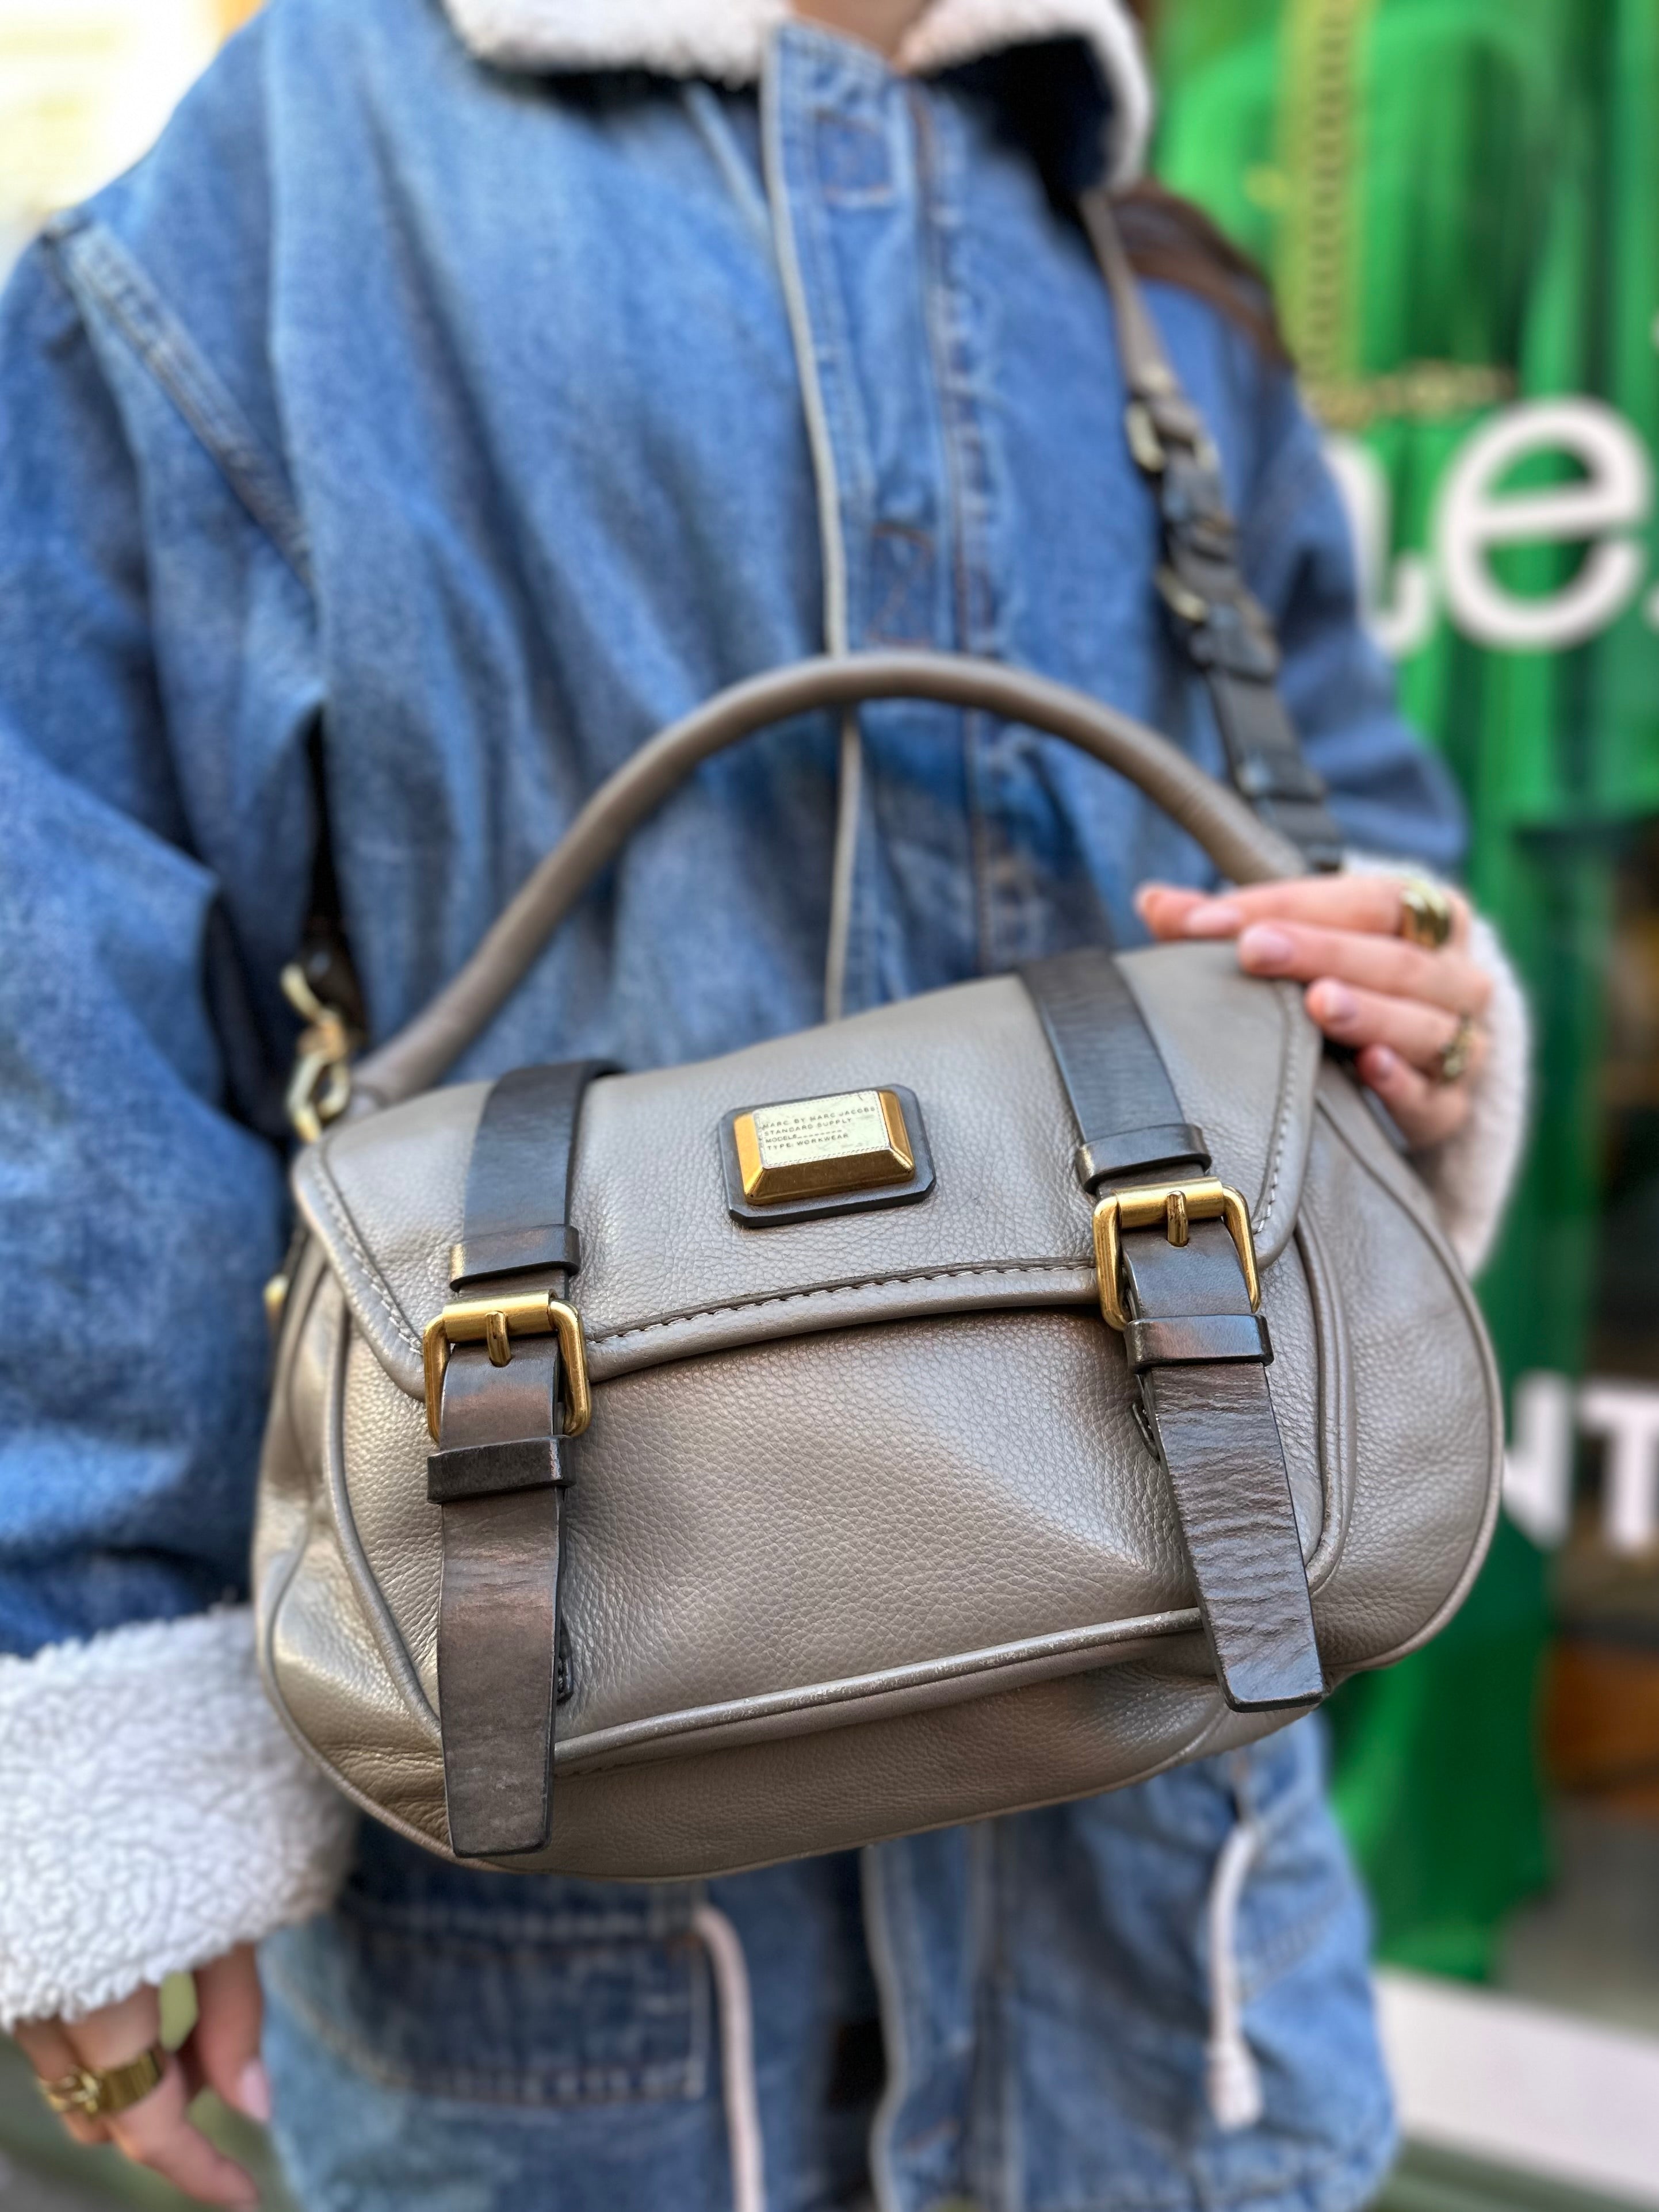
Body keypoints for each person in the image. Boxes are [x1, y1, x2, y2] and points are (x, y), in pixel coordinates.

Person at [0, 2, 1526, 2207]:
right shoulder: (296, 174)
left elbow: (1353, 829)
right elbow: (55, 974)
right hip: (546, 1968)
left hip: (1173, 1929)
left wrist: (1415, 997)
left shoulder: (1144, 266)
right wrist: (92, 1742)